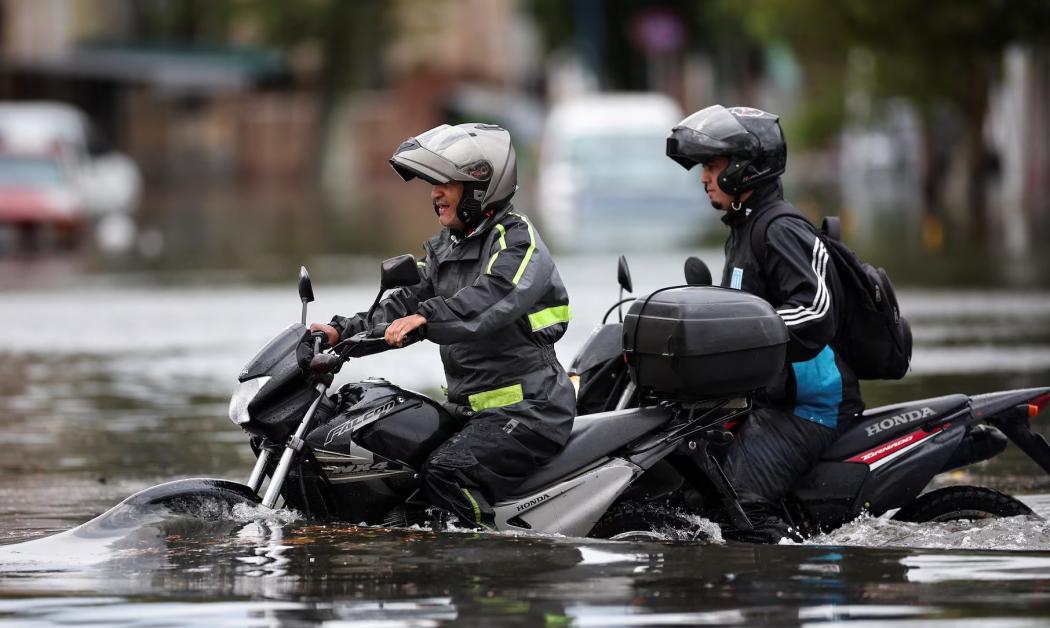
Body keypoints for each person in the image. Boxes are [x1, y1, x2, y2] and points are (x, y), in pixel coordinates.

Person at [311, 122, 576, 528]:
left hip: (529, 411)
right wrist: (338, 333)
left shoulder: (516, 240)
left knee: (446, 473)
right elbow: (402, 301)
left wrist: (427, 318)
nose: (434, 193)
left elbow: (496, 295)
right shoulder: (444, 248)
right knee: (399, 464)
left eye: (445, 183)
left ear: (478, 186)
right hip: (469, 410)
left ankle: (480, 566)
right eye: (432, 183)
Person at [665, 105, 864, 542]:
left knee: (740, 501)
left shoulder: (780, 229)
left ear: (745, 169)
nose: (703, 177)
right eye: (703, 166)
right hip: (767, 399)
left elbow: (816, 310)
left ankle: (780, 590)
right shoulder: (744, 227)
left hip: (809, 405)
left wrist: (747, 333)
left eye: (713, 166)